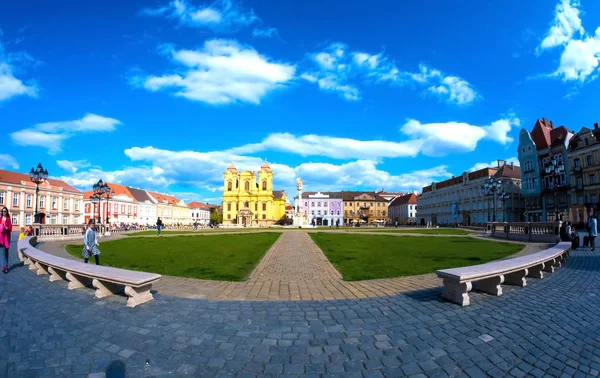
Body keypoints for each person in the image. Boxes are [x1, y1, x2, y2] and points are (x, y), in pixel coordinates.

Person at [0, 207, 12, 273]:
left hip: (7, 237)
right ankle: (3, 266)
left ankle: (6, 266)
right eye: (3, 211)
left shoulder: (8, 219)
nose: (4, 212)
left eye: (5, 211)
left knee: (6, 252)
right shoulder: (0, 219)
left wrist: (7, 228)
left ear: (7, 212)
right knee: (2, 252)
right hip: (1, 237)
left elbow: (10, 228)